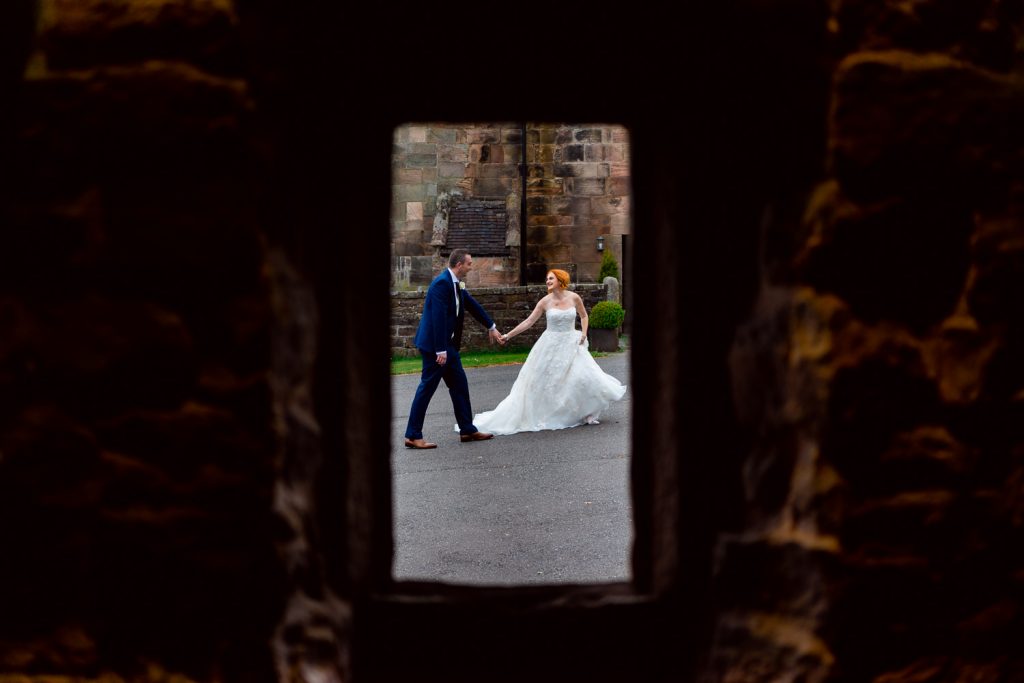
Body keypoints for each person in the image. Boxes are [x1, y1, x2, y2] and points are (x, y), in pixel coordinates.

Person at [467, 269, 627, 435]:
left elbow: (584, 316)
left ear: (560, 279)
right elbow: (528, 321)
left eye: (551, 278)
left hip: (571, 342)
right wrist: (508, 335)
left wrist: (584, 333)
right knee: (545, 382)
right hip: (550, 344)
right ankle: (547, 414)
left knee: (583, 377)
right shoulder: (545, 302)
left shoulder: (574, 297)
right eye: (547, 279)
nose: (548, 281)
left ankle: (586, 412)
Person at [404, 249, 505, 449]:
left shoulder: (456, 284)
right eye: (469, 264)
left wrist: (491, 327)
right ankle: (413, 435)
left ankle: (467, 430)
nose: (470, 267)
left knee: (459, 385)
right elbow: (438, 318)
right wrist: (440, 350)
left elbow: (471, 305)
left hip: (447, 347)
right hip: (436, 347)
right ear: (459, 265)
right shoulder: (441, 284)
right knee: (426, 389)